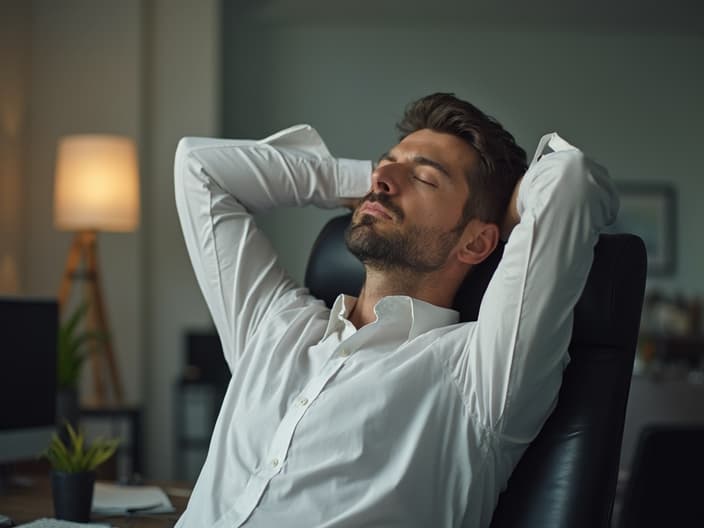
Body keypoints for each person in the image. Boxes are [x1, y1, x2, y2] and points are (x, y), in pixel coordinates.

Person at [173, 93, 618, 527]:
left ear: (477, 241)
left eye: (424, 178)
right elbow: (199, 166)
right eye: (384, 165)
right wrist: (360, 182)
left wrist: (500, 206)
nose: (383, 179)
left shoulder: (481, 374)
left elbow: (570, 179)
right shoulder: (274, 325)